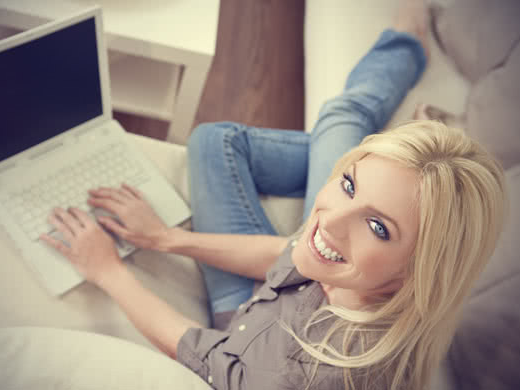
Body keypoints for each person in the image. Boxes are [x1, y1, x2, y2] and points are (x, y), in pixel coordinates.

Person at [41, 1, 507, 388]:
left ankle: (405, 47)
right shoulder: (339, 258)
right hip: (278, 304)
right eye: (347, 184)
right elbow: (288, 254)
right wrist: (165, 238)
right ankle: (380, 162)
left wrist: (106, 269)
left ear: (413, 274)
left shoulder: (301, 375)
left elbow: (200, 353)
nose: (329, 219)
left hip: (240, 329)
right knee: (225, 140)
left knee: (342, 117)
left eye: (379, 226)